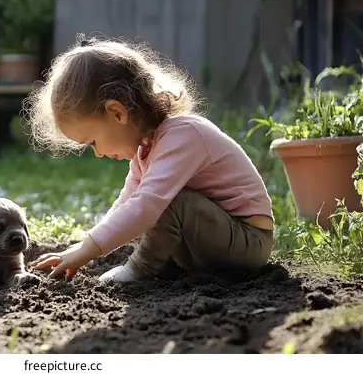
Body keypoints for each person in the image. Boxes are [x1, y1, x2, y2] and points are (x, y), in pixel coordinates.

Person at [22, 34, 275, 284]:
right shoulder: (147, 148)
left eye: (93, 142)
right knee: (156, 202)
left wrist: (89, 249)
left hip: (247, 242)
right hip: (212, 241)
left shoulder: (183, 135)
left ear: (117, 113)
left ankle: (139, 270)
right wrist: (85, 248)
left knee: (167, 203)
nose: (97, 153)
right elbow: (126, 203)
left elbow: (145, 206)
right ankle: (167, 267)